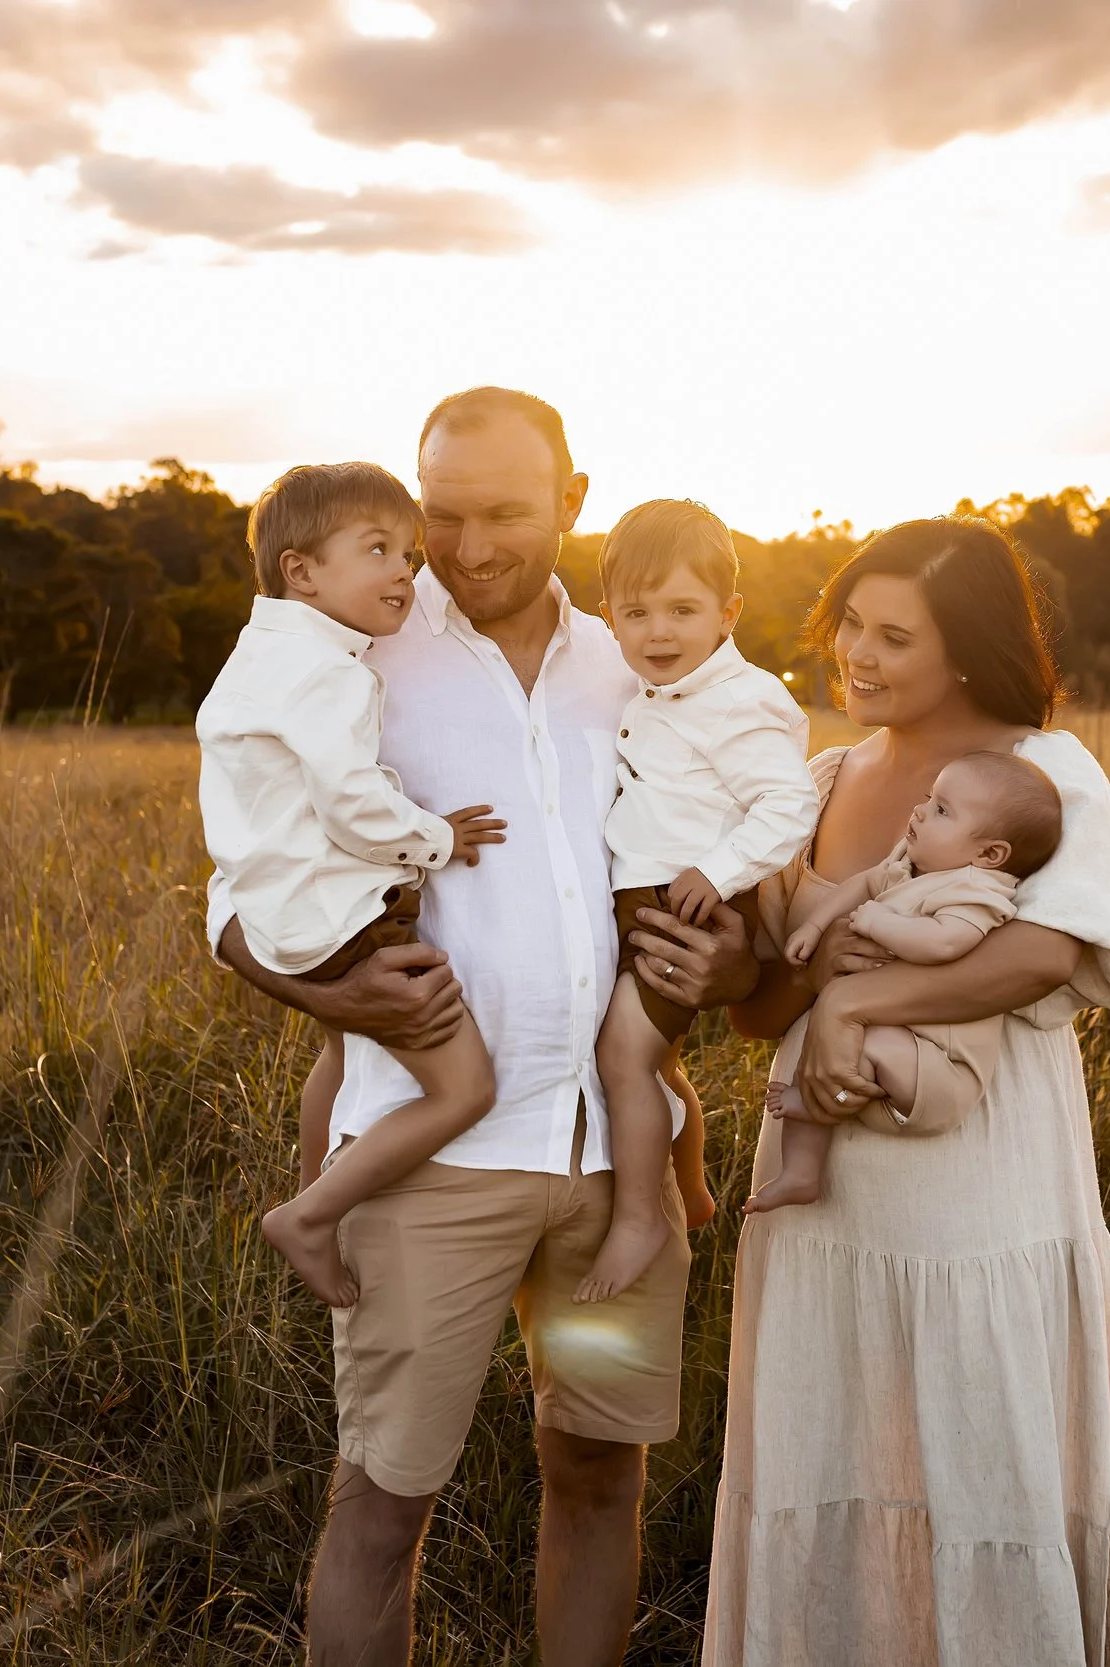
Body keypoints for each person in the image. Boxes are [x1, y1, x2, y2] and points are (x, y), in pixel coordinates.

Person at [209, 389, 757, 1667]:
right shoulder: (352, 647)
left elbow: (738, 850)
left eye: (505, 512)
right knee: (383, 1501)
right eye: (438, 513)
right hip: (428, 1163)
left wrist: (735, 951)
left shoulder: (647, 653)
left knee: (598, 1472)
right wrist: (323, 991)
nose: (462, 546)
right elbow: (236, 886)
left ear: (573, 499)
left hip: (611, 1171)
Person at [704, 518, 1110, 1665]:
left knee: (980, 1447)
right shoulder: (817, 779)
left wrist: (860, 1008)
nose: (855, 652)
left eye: (893, 635)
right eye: (849, 622)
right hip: (825, 1188)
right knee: (832, 1447)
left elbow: (1047, 955)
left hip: (978, 1180)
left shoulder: (1042, 771)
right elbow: (767, 1010)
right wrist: (762, 973)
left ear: (966, 650)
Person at [197, 461, 508, 1308]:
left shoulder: (259, 656)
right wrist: (436, 838)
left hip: (284, 909)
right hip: (342, 915)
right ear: (301, 571)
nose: (404, 570)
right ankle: (310, 1213)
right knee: (464, 1087)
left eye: (408, 552)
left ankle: (313, 1205)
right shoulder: (325, 671)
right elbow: (349, 801)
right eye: (376, 549)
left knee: (341, 1052)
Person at [582, 498, 815, 1302]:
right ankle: (692, 1183)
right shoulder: (660, 691)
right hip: (650, 891)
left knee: (625, 1055)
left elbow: (788, 805)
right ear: (607, 616)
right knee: (658, 1059)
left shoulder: (739, 699)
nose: (658, 632)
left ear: (729, 612)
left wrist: (716, 871)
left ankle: (641, 1215)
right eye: (635, 612)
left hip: (684, 903)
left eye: (683, 609)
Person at [746, 749, 1062, 1215]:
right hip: (892, 1041)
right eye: (929, 797)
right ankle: (800, 1174)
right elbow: (861, 885)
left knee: (852, 1044)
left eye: (941, 810)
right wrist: (815, 928)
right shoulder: (908, 867)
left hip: (937, 1065)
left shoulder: (975, 891)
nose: (920, 811)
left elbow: (943, 943)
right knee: (825, 1053)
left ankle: (810, 1116)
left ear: (989, 854)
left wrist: (876, 924)